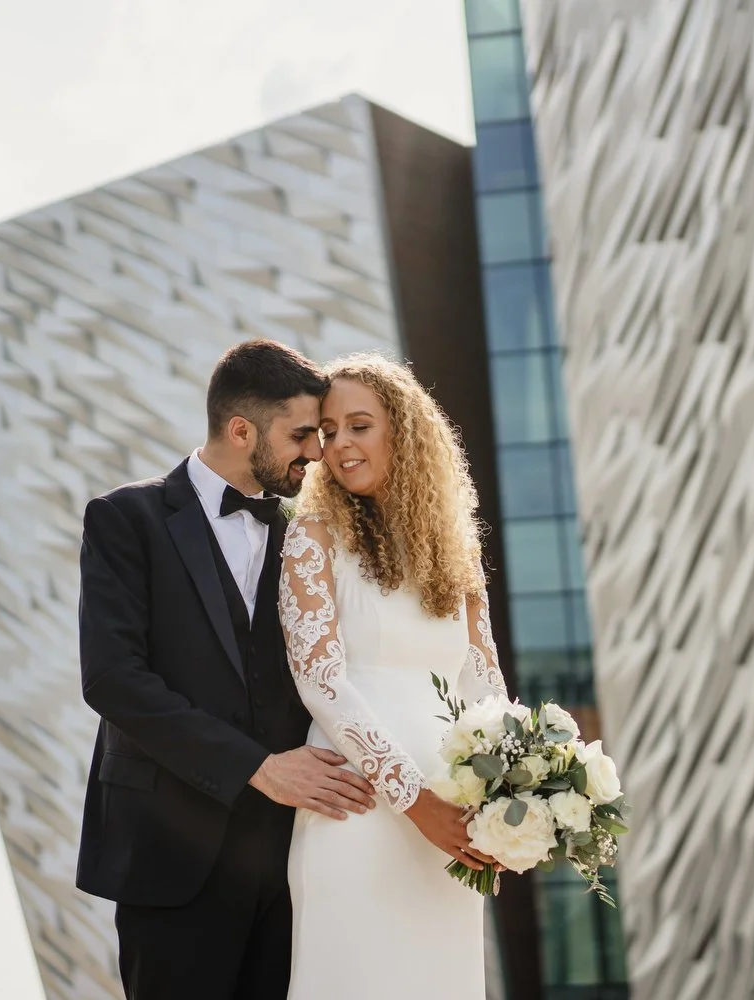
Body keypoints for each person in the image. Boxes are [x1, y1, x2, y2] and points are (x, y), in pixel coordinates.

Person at [75, 339, 378, 999]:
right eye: (301, 434)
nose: (317, 451)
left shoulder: (311, 533)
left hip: (294, 860)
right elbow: (112, 678)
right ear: (241, 431)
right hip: (168, 856)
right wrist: (258, 768)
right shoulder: (125, 519)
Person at [278, 353, 510, 999]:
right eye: (327, 432)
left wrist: (510, 793)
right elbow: (320, 681)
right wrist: (414, 800)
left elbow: (484, 679)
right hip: (360, 808)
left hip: (455, 814)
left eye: (359, 425)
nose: (341, 445)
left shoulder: (454, 549)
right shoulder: (313, 538)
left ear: (403, 431)